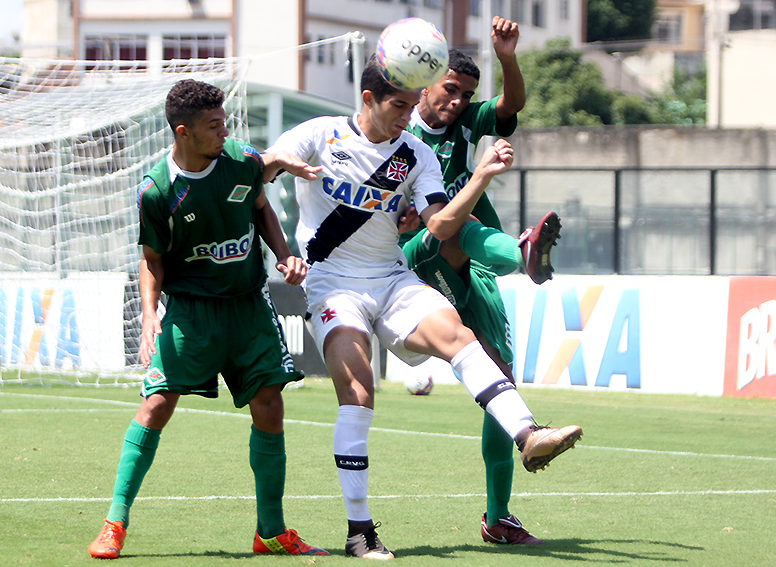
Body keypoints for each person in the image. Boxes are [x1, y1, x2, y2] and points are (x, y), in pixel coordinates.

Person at [264, 55, 582, 560]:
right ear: (368, 99)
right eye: (398, 105)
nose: (406, 116)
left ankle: (529, 435)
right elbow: (257, 176)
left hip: (392, 278)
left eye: (410, 105)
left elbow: (439, 225)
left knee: (460, 337)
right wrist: (278, 165)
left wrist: (481, 176)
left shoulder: (415, 153)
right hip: (334, 286)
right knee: (359, 392)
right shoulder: (319, 133)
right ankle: (359, 532)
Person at [87, 79, 327, 559]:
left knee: (269, 404)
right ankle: (114, 522)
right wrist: (150, 314)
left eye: (224, 123)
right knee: (156, 405)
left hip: (248, 307)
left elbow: (262, 208)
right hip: (191, 314)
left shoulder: (240, 161)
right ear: (184, 132)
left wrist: (284, 254)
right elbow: (152, 259)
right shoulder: (157, 190)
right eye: (214, 126)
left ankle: (271, 531)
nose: (224, 132)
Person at [401, 17, 559, 546]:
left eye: (466, 94)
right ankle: (519, 252)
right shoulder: (398, 129)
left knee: (501, 376)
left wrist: (507, 57)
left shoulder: (467, 122)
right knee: (451, 223)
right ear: (425, 84)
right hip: (415, 258)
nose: (458, 101)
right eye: (450, 89)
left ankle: (498, 517)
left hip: (472, 259)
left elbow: (511, 105)